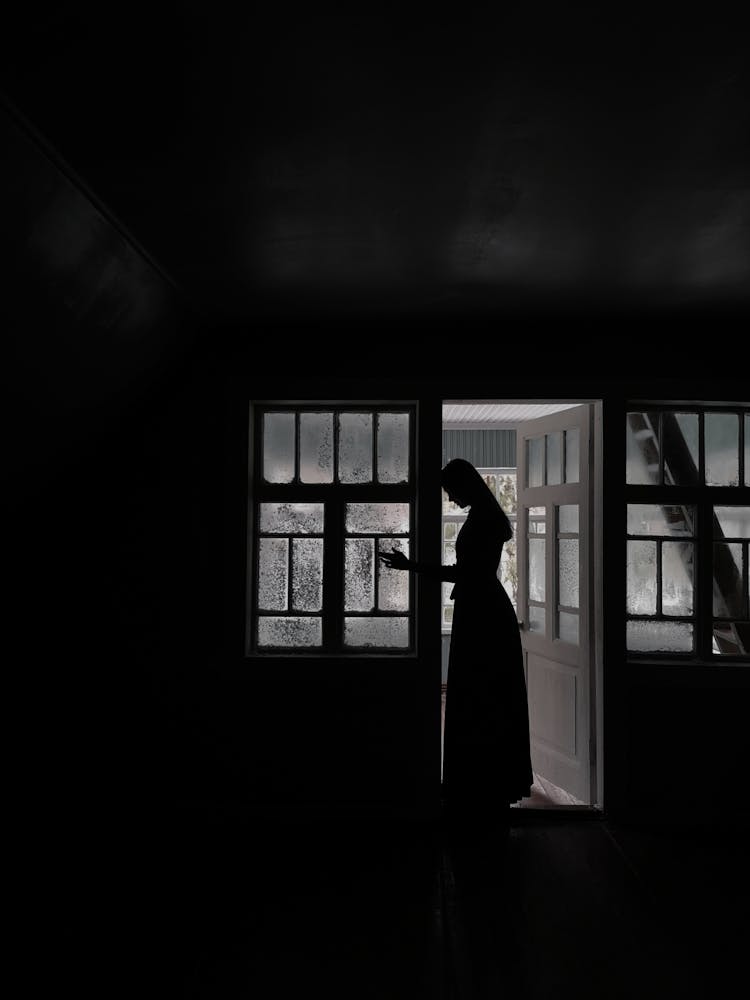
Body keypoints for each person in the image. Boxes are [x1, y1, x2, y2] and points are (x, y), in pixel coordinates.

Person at [379, 458, 532, 826]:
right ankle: (484, 788)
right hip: (483, 611)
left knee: (478, 697)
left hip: (482, 616)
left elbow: (466, 572)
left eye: (450, 490)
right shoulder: (485, 516)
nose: (448, 498)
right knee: (486, 698)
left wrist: (411, 567)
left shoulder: (482, 520)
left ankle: (477, 789)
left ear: (464, 486)